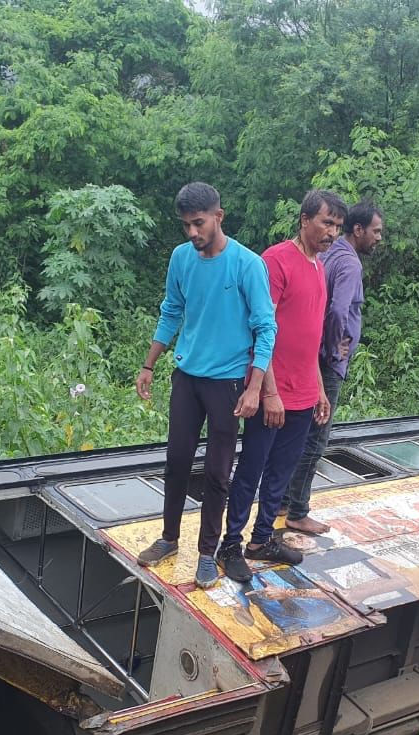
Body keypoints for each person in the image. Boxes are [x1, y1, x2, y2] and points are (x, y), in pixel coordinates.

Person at [134, 183, 276, 589]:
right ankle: (169, 538)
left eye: (199, 223)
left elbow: (266, 328)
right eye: (186, 225)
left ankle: (206, 554)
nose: (192, 232)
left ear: (219, 216)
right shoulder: (181, 259)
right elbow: (171, 311)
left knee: (217, 471)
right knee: (177, 460)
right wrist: (150, 363)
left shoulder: (247, 264)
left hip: (229, 382)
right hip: (188, 377)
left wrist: (255, 388)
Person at [216, 190, 345, 583]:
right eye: (326, 223)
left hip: (305, 392)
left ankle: (262, 539)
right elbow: (260, 330)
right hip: (274, 392)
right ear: (305, 220)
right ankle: (231, 545)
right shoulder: (275, 261)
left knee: (282, 472)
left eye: (338, 227)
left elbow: (310, 336)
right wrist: (267, 391)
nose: (332, 233)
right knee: (252, 469)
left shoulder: (319, 266)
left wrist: (320, 388)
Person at [283, 200, 384, 535]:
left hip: (309, 358)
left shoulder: (329, 255)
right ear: (359, 230)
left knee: (298, 434)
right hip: (326, 364)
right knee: (316, 437)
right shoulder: (350, 264)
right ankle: (298, 510)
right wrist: (334, 346)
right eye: (376, 231)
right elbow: (339, 309)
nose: (379, 238)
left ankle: (284, 498)